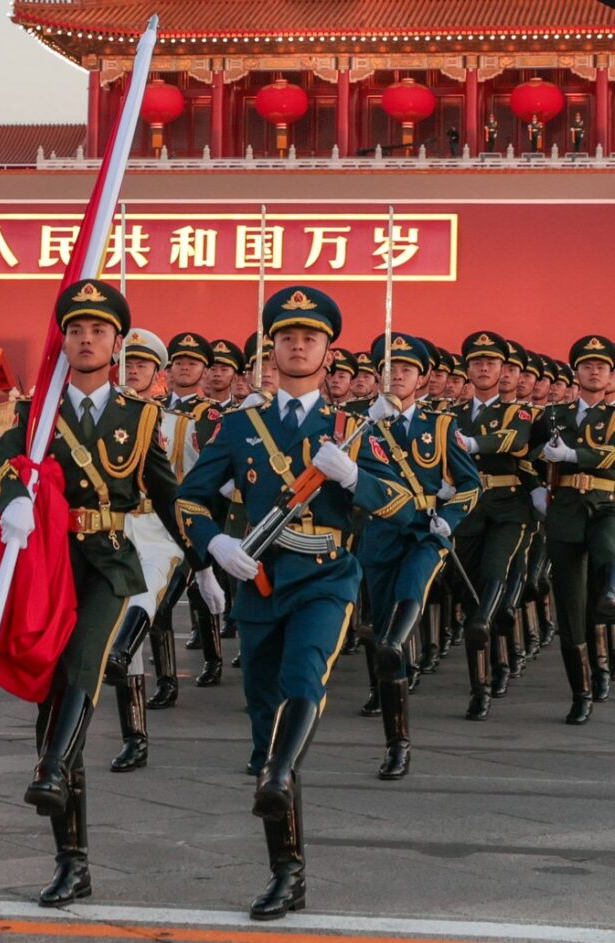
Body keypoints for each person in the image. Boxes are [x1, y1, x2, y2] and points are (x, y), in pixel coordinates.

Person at [176, 286, 421, 920]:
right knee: (263, 714)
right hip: (258, 581)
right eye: (286, 336)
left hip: (327, 576)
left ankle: (282, 776)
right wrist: (216, 542)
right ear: (272, 348)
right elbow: (190, 500)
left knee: (303, 676)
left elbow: (404, 504)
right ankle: (287, 870)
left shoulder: (353, 427)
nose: (297, 344)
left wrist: (354, 478)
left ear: (328, 351)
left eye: (310, 337)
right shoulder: (237, 426)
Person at [0, 280, 184, 907]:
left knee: (83, 667)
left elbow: (167, 495)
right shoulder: (37, 412)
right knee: (51, 701)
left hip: (108, 564)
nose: (86, 339)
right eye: (76, 330)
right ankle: (72, 861)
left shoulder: (141, 415)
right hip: (48, 560)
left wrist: (203, 559)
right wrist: (13, 499)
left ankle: (48, 772)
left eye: (99, 330)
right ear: (64, 340)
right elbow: (7, 464)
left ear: (117, 343)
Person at [354, 335, 479, 779]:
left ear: (422, 378)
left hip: (425, 537)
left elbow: (469, 484)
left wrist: (449, 517)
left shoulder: (440, 426)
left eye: (406, 370)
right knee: (386, 634)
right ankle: (396, 741)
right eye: (389, 370)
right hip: (382, 535)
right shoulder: (359, 424)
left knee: (406, 604)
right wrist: (360, 429)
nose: (397, 376)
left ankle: (393, 646)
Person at [102, 328, 224, 772]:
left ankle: (166, 682)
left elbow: (196, 484)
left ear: (158, 373)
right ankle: (134, 735)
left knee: (150, 600)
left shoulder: (176, 424)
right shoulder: (100, 418)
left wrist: (204, 550)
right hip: (112, 529)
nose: (132, 370)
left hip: (162, 529)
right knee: (120, 630)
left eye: (142, 364)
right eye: (127, 362)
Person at [450, 332, 537, 719]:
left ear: (504, 371)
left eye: (491, 363)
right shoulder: (452, 415)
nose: (484, 368)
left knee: (494, 570)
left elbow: (512, 441)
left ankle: (487, 622)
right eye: (477, 363)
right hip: (468, 507)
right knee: (468, 592)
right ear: (468, 370)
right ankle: (481, 683)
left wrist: (469, 445)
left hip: (508, 506)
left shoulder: (517, 412)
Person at [533, 335, 615, 723]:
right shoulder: (553, 416)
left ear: (611, 374)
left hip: (606, 509)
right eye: (587, 365)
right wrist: (536, 485)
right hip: (564, 511)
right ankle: (580, 690)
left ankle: (602, 669)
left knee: (604, 587)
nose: (594, 371)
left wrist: (574, 455)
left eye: (601, 366)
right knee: (570, 605)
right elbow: (529, 455)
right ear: (576, 372)